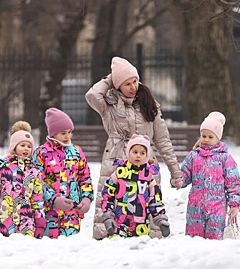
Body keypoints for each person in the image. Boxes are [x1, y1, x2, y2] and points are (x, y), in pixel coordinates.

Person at [85, 56, 182, 240]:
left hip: (145, 161)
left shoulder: (149, 105)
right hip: (116, 158)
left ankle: (151, 238)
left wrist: (175, 172)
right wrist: (110, 79)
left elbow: (163, 140)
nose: (133, 87)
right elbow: (91, 95)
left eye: (135, 81)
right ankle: (110, 233)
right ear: (117, 85)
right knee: (111, 198)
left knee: (149, 200)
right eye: (127, 83)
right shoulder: (109, 105)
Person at [175, 111, 240, 240]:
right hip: (195, 205)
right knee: (194, 237)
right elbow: (185, 174)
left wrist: (234, 204)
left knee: (214, 237)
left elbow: (233, 182)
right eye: (203, 136)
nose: (206, 139)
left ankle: (213, 256)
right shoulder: (194, 156)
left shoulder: (225, 158)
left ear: (218, 138)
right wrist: (179, 180)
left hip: (217, 206)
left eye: (210, 137)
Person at [33, 107, 94, 238]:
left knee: (70, 246)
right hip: (50, 211)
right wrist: (53, 199)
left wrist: (86, 198)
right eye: (63, 133)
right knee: (51, 245)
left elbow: (85, 177)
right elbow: (37, 182)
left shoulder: (76, 151)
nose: (67, 136)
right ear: (53, 133)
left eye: (70, 132)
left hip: (72, 212)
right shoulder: (41, 153)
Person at [0, 121, 46, 237]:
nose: (26, 149)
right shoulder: (2, 166)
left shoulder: (34, 170)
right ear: (14, 146)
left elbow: (37, 198)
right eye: (22, 145)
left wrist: (40, 222)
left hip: (26, 223)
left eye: (29, 146)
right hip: (3, 220)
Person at [101, 134, 170, 238]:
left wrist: (160, 218)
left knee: (139, 248)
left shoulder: (148, 177)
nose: (138, 155)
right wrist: (108, 214)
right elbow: (107, 193)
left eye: (142, 153)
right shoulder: (120, 173)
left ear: (147, 155)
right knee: (117, 246)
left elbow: (154, 200)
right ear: (128, 153)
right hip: (120, 221)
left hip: (140, 223)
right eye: (135, 152)